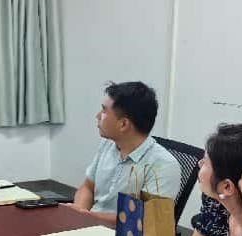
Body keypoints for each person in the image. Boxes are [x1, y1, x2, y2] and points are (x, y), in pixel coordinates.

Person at [62, 82, 180, 225]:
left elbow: (144, 220)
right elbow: (88, 187)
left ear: (123, 124)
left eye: (104, 111)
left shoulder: (163, 165)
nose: (97, 115)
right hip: (91, 226)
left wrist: (89, 217)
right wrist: (79, 213)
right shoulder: (108, 144)